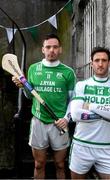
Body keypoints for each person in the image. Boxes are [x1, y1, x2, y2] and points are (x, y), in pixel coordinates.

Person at [12, 33, 76, 179]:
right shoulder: (33, 69)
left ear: (60, 49)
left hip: (59, 123)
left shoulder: (68, 72)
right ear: (43, 49)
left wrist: (66, 118)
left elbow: (73, 100)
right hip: (38, 121)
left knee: (60, 164)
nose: (51, 50)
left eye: (55, 47)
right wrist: (23, 87)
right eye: (48, 47)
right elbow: (30, 96)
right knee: (38, 164)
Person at [69, 46, 110, 179]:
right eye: (97, 60)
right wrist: (109, 110)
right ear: (91, 64)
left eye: (104, 60)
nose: (100, 64)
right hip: (81, 146)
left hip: (106, 148)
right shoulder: (82, 85)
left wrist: (90, 105)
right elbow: (76, 114)